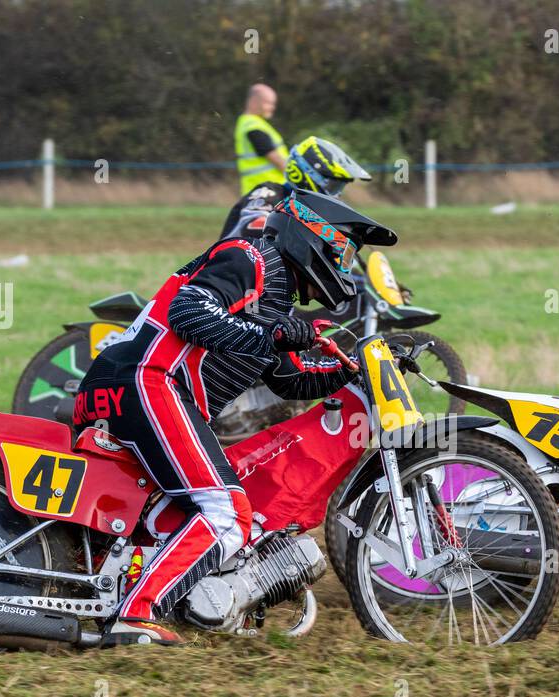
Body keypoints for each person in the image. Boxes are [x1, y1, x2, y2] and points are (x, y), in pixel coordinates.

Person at [72, 190, 397, 645]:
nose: (345, 266)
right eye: (342, 251)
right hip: (147, 381)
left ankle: (136, 594)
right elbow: (189, 314)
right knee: (226, 512)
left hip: (132, 388)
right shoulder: (249, 257)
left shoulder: (275, 300)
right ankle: (135, 617)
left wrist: (354, 371)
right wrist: (276, 333)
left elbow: (290, 380)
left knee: (170, 518)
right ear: (312, 235)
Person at [220, 135, 371, 240]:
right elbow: (253, 226)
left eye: (339, 187)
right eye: (333, 186)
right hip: (233, 276)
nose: (336, 195)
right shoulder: (270, 193)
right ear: (307, 175)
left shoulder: (313, 214)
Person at [234, 83, 287, 196]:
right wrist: (296, 176)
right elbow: (275, 158)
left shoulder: (252, 123)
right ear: (254, 101)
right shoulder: (253, 126)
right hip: (265, 194)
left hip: (265, 191)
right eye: (268, 103)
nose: (272, 107)